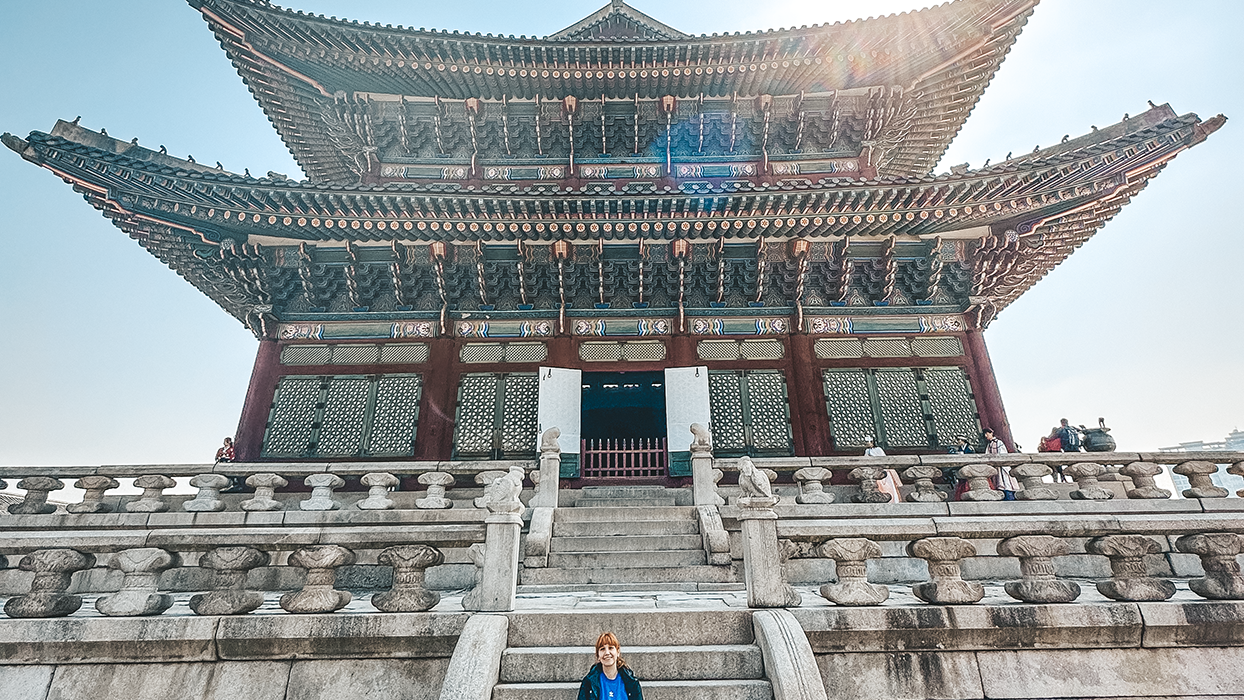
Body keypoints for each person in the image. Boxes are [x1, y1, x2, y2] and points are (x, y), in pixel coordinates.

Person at [578, 632, 643, 700]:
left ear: (618, 652)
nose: (607, 653)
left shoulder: (632, 682)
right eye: (602, 649)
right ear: (598, 655)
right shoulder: (589, 682)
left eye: (610, 648)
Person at [984, 428, 1019, 500]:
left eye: (987, 433)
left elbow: (1003, 454)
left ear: (991, 433)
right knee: (998, 483)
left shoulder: (999, 443)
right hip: (995, 467)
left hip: (1002, 466)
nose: (986, 435)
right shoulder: (989, 445)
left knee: (1006, 482)